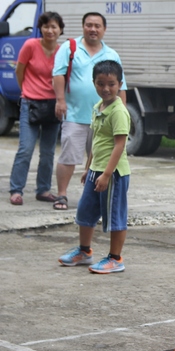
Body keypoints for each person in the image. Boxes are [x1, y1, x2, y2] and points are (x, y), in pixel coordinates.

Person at [57, 60, 131, 274]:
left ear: (119, 84)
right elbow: (96, 140)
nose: (106, 88)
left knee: (114, 215)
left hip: (114, 173)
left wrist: (107, 174)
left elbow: (119, 145)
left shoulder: (118, 111)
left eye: (111, 84)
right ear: (94, 84)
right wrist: (88, 168)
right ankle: (84, 251)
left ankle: (115, 258)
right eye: (100, 84)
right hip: (96, 171)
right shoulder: (97, 107)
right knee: (85, 211)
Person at [51, 12, 127, 210]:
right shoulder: (70, 48)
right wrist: (60, 100)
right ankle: (62, 195)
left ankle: (98, 197)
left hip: (104, 117)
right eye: (89, 25)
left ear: (104, 29)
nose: (93, 29)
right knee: (69, 156)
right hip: (75, 114)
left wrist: (123, 113)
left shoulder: (112, 54)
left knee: (101, 157)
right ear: (83, 26)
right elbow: (58, 74)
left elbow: (122, 85)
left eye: (97, 26)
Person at [8, 12, 64, 206]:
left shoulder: (62, 51)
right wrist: (26, 91)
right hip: (30, 103)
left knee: (48, 152)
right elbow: (19, 70)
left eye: (54, 26)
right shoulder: (30, 45)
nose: (50, 30)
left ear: (60, 30)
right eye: (46, 26)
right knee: (26, 148)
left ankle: (43, 189)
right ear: (40, 28)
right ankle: (16, 190)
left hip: (52, 106)